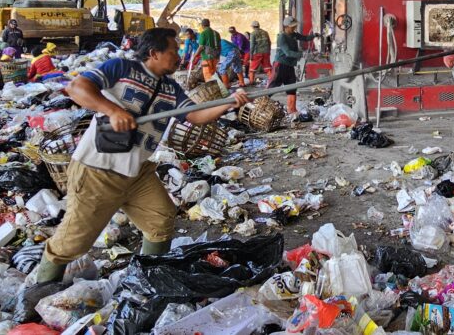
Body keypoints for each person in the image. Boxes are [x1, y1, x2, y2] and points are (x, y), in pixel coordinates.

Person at [36, 28, 250, 283]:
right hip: (98, 169)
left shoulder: (171, 88)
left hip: (137, 171)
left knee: (160, 217)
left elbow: (195, 115)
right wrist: (112, 110)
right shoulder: (121, 68)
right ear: (154, 53)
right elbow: (76, 87)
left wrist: (228, 103)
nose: (179, 56)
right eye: (174, 51)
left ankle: (148, 279)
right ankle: (41, 289)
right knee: (74, 242)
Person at [270, 16, 315, 114]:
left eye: (294, 26)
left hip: (290, 66)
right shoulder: (282, 37)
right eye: (292, 27)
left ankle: (292, 110)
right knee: (272, 87)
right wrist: (302, 54)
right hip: (280, 65)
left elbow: (305, 38)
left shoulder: (293, 34)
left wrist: (314, 35)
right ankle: (259, 106)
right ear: (286, 27)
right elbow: (288, 53)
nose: (294, 28)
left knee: (291, 87)